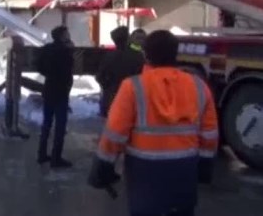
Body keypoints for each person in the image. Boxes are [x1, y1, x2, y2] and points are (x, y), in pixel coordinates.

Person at [87, 30, 219, 216]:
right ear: (176, 53)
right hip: (184, 169)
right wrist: (204, 167)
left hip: (144, 173)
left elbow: (115, 133)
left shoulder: (133, 87)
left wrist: (103, 168)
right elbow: (210, 133)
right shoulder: (198, 86)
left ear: (146, 54)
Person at [36, 25, 74, 168]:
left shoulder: (47, 49)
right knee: (60, 125)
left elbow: (39, 66)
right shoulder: (66, 50)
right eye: (67, 33)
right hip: (61, 91)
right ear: (62, 36)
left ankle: (42, 154)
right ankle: (56, 157)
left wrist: (49, 74)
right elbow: (69, 69)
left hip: (49, 88)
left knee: (46, 123)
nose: (69, 34)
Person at [95, 26, 144, 118]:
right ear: (128, 38)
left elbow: (99, 76)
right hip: (133, 95)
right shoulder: (138, 56)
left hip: (112, 95)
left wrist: (107, 87)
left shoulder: (109, 57)